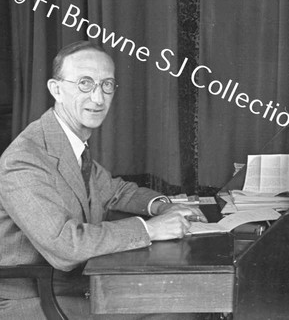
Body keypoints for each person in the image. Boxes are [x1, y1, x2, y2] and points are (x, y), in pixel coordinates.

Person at [0, 41, 206, 319]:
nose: (98, 98)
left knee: (187, 299)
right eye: (85, 83)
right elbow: (66, 245)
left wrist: (162, 206)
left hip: (76, 285)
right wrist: (150, 230)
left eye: (106, 85)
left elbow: (117, 191)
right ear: (56, 89)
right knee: (178, 310)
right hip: (38, 299)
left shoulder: (69, 144)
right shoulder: (25, 158)